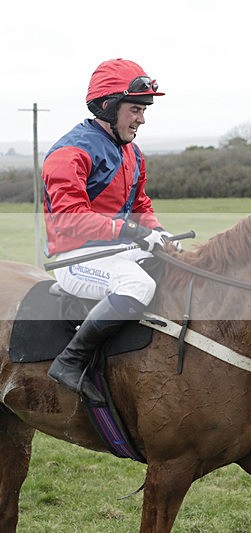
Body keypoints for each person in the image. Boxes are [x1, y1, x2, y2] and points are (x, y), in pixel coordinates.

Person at [42, 58, 178, 403]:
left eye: (144, 110)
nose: (141, 119)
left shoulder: (133, 152)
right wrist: (132, 232)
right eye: (135, 109)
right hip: (75, 255)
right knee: (138, 284)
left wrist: (157, 232)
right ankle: (70, 361)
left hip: (117, 248)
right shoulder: (69, 153)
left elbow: (141, 205)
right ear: (108, 106)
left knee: (179, 264)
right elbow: (70, 217)